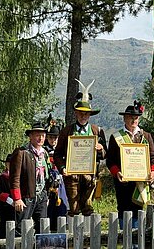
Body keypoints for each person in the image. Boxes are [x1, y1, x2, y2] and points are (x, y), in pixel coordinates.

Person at [54, 79, 107, 217]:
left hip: (90, 176)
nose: (83, 116)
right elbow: (58, 154)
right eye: (81, 113)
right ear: (76, 113)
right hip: (71, 176)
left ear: (90, 115)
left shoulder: (97, 131)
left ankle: (89, 237)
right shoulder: (66, 131)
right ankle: (73, 237)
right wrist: (62, 168)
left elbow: (106, 154)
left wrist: (100, 149)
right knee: (74, 209)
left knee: (88, 208)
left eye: (86, 113)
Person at [106, 101, 154, 228]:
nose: (133, 120)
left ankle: (136, 240)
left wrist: (153, 171)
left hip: (140, 181)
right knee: (123, 209)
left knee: (138, 210)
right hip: (123, 182)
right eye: (131, 117)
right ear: (125, 118)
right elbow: (110, 160)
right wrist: (116, 172)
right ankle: (125, 239)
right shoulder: (116, 137)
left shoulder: (146, 136)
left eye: (136, 118)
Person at [9, 122, 52, 236]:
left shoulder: (45, 154)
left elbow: (47, 177)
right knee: (21, 229)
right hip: (25, 197)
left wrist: (46, 195)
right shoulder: (21, 152)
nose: (41, 138)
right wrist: (17, 198)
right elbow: (14, 178)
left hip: (41, 196)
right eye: (37, 135)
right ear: (31, 136)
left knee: (42, 228)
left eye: (43, 135)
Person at [0, 153, 15, 239]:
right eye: (8, 163)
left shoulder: (20, 177)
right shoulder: (3, 177)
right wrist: (10, 201)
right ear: (6, 164)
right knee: (5, 230)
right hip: (6, 206)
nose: (10, 165)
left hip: (18, 207)